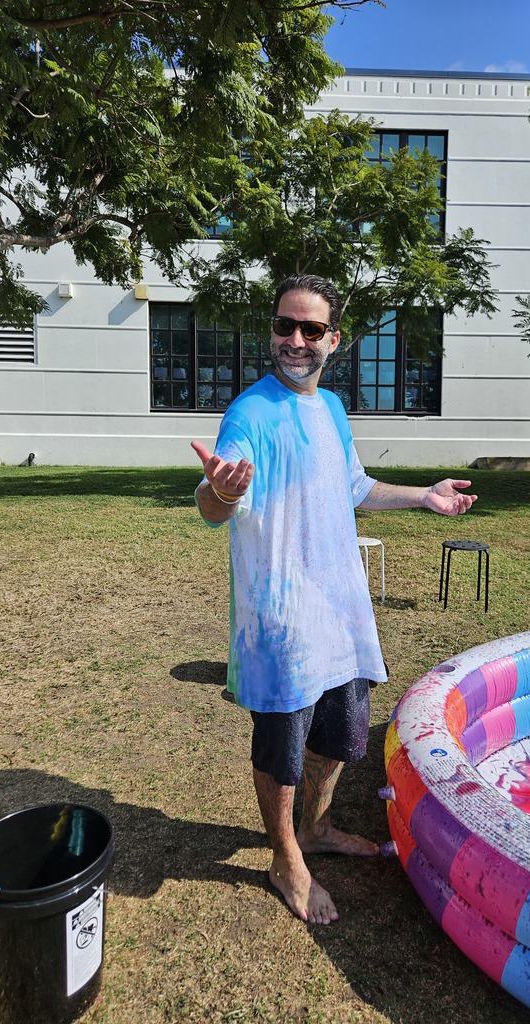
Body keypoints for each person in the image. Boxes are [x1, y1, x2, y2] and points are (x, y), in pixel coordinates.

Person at [192, 273, 476, 925]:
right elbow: (212, 506)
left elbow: (353, 484)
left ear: (333, 340)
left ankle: (315, 830)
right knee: (280, 751)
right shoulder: (249, 414)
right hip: (282, 625)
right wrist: (224, 493)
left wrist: (422, 496)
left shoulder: (330, 410)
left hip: (341, 615)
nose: (294, 339)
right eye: (284, 326)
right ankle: (286, 859)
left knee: (342, 739)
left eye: (310, 329)